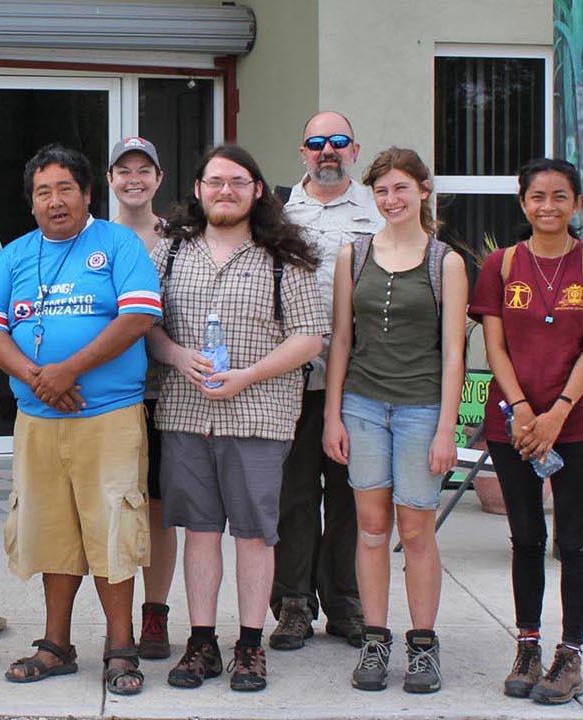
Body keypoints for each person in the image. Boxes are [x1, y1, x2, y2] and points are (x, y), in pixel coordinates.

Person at [0, 144, 162, 696]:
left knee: (113, 529)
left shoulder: (118, 243)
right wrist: (41, 379)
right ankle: (55, 644)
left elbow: (138, 316)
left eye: (65, 189)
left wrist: (69, 370)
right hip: (39, 419)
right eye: (43, 192)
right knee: (53, 532)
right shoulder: (15, 255)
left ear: (87, 194)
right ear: (31, 202)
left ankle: (120, 647)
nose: (54, 201)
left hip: (108, 415)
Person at [147, 144, 328, 693]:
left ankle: (250, 645)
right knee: (199, 531)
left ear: (257, 191)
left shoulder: (285, 257)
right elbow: (144, 324)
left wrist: (248, 375)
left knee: (254, 535)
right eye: (215, 181)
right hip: (185, 411)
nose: (225, 190)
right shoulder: (170, 252)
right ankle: (202, 642)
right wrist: (177, 355)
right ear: (198, 190)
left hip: (259, 415)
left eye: (238, 181)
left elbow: (309, 337)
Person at [470, 158, 583, 706]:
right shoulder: (501, 264)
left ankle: (570, 655)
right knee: (527, 538)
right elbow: (494, 347)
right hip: (512, 425)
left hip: (578, 425)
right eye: (537, 196)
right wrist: (521, 409)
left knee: (574, 539)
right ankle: (529, 646)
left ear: (576, 204)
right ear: (523, 204)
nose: (548, 206)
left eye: (560, 196)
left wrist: (558, 413)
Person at [321, 148, 467, 694]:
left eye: (402, 188)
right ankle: (375, 639)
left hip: (420, 408)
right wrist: (332, 413)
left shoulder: (445, 261)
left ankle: (423, 646)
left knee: (417, 529)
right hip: (362, 405)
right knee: (372, 527)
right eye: (381, 191)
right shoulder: (352, 254)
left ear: (423, 191)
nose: (392, 200)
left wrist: (446, 429)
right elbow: (342, 339)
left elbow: (454, 353)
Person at [272, 111, 380, 650]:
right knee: (291, 497)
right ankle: (292, 603)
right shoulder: (276, 213)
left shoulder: (379, 210)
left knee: (347, 496)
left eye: (338, 142)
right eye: (317, 143)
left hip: (358, 380)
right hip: (291, 381)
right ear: (303, 152)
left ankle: (345, 601)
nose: (327, 151)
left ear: (355, 150)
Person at [106, 136, 178, 660]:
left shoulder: (180, 240)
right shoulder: (96, 240)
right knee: (113, 504)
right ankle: (117, 620)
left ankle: (155, 612)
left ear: (158, 179)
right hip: (111, 392)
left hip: (169, 392)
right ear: (110, 180)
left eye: (144, 170)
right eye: (123, 169)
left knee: (158, 505)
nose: (134, 179)